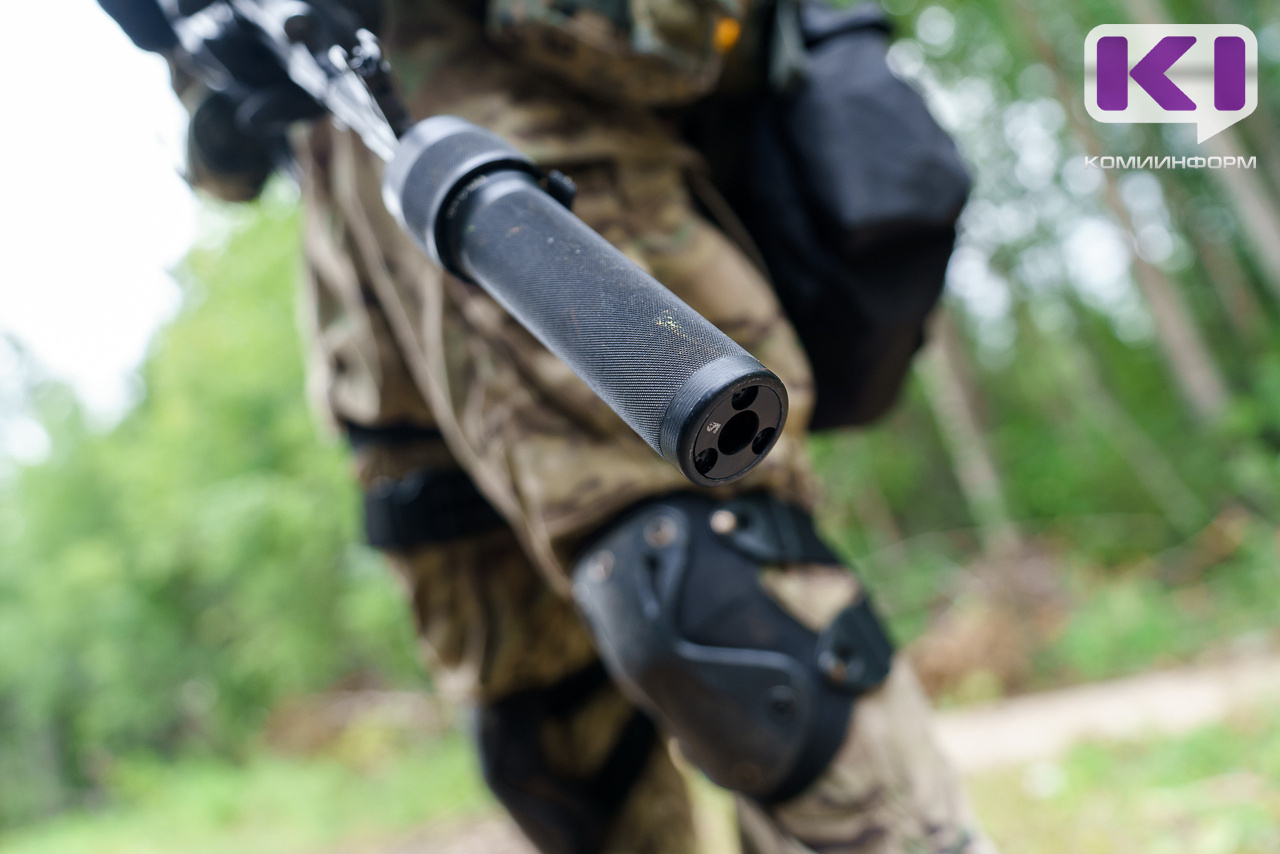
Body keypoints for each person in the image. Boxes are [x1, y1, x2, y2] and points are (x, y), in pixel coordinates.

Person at [100, 0, 994, 851]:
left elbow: (683, 39)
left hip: (566, 214)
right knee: (548, 734)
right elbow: (221, 158)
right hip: (374, 313)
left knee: (725, 624)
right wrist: (208, 64)